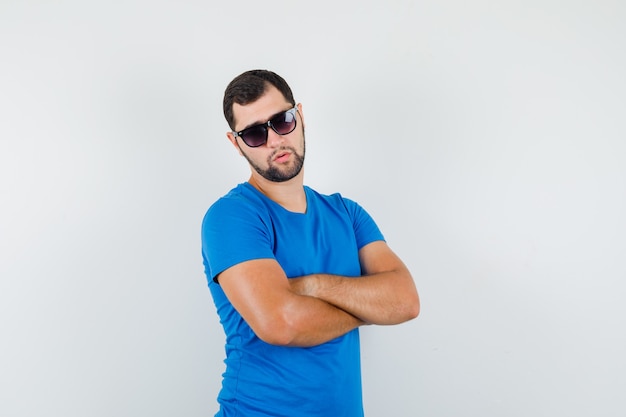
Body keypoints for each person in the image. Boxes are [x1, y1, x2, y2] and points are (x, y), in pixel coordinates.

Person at [201, 69, 420, 417]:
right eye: (255, 133)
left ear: (299, 115)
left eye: (282, 121)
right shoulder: (232, 217)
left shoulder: (347, 214)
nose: (274, 140)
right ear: (236, 143)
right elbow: (281, 324)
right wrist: (369, 308)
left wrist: (313, 286)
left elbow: (405, 301)